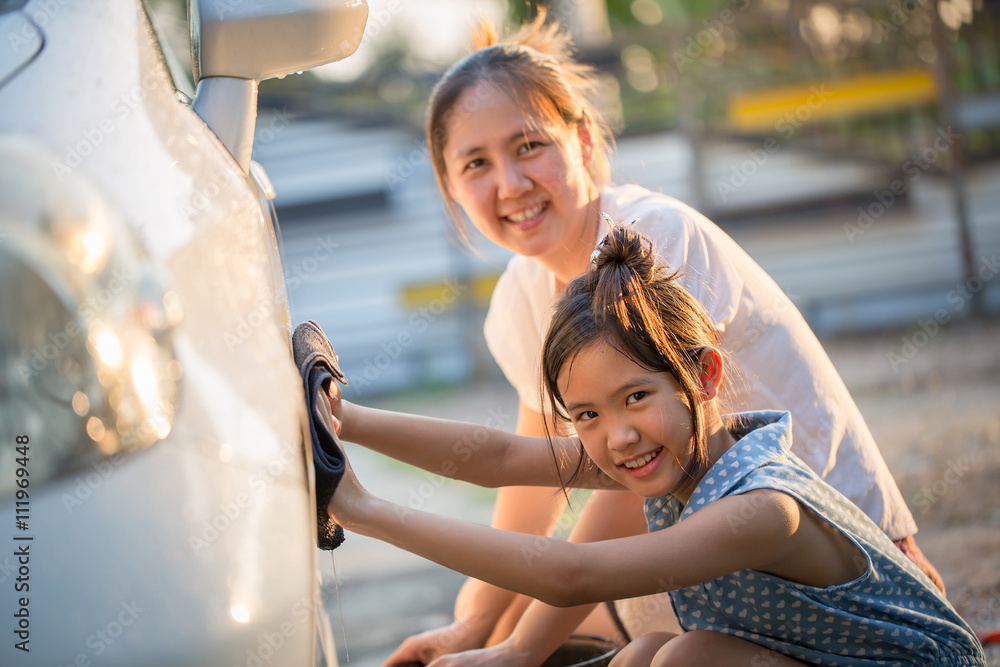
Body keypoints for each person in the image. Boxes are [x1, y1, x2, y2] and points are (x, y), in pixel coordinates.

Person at [387, 9, 944, 665]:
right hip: (722, 553)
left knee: (556, 611)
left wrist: (514, 647)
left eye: (529, 145)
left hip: (829, 555)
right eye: (476, 162)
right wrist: (472, 626)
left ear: (584, 141)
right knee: (503, 598)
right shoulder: (518, 298)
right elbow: (535, 476)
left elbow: (637, 479)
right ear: (449, 183)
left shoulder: (652, 238)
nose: (509, 184)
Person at [326, 226, 986, 667]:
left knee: (680, 660)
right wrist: (345, 418)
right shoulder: (677, 456)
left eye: (635, 396)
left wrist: (364, 510)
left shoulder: (762, 507)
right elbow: (500, 457)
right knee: (646, 653)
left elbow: (569, 574)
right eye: (586, 413)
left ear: (704, 375)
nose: (617, 434)